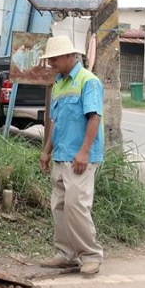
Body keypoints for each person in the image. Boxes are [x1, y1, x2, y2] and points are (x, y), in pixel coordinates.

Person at [38, 35, 105, 275]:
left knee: (76, 206)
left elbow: (94, 117)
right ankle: (66, 255)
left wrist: (84, 152)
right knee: (60, 206)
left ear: (69, 56)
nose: (51, 63)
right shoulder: (59, 83)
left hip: (80, 158)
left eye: (54, 58)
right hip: (61, 155)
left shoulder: (89, 81)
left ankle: (91, 255)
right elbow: (55, 122)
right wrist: (46, 151)